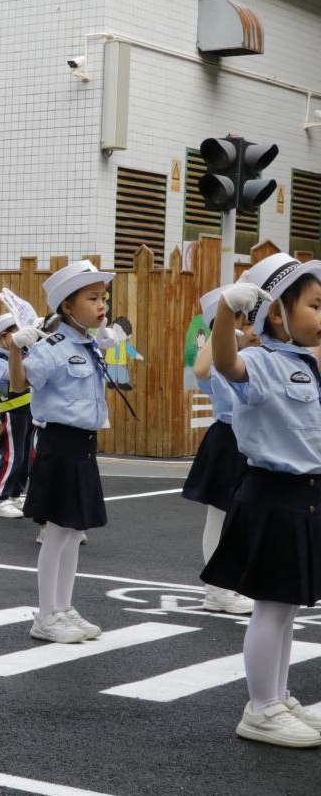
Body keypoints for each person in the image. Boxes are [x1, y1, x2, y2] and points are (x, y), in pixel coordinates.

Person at [200, 253, 321, 748]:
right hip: (273, 496)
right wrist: (228, 310)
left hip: (303, 497)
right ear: (278, 314)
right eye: (316, 305)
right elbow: (225, 362)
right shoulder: (263, 362)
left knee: (287, 607)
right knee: (271, 608)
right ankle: (260, 707)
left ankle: (277, 694)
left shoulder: (303, 364)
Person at [9, 260, 112, 645]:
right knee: (56, 533)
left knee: (73, 532)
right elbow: (19, 385)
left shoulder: (89, 344)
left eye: (103, 297)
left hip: (83, 446)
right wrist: (18, 349)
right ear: (68, 307)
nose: (102, 304)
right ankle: (46, 613)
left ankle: (64, 607)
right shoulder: (52, 345)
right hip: (59, 445)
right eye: (92, 298)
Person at [181, 286, 255, 615]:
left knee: (241, 518)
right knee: (220, 516)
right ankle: (216, 590)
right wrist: (221, 324)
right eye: (242, 319)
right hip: (227, 439)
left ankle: (230, 585)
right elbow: (199, 369)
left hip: (249, 439)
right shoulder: (216, 359)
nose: (249, 328)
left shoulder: (249, 355)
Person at [0, 312, 32, 519]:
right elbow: (13, 376)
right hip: (12, 414)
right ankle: (2, 499)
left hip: (28, 413)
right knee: (13, 456)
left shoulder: (23, 355)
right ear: (3, 336)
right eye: (15, 335)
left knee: (25, 457)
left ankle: (15, 494)